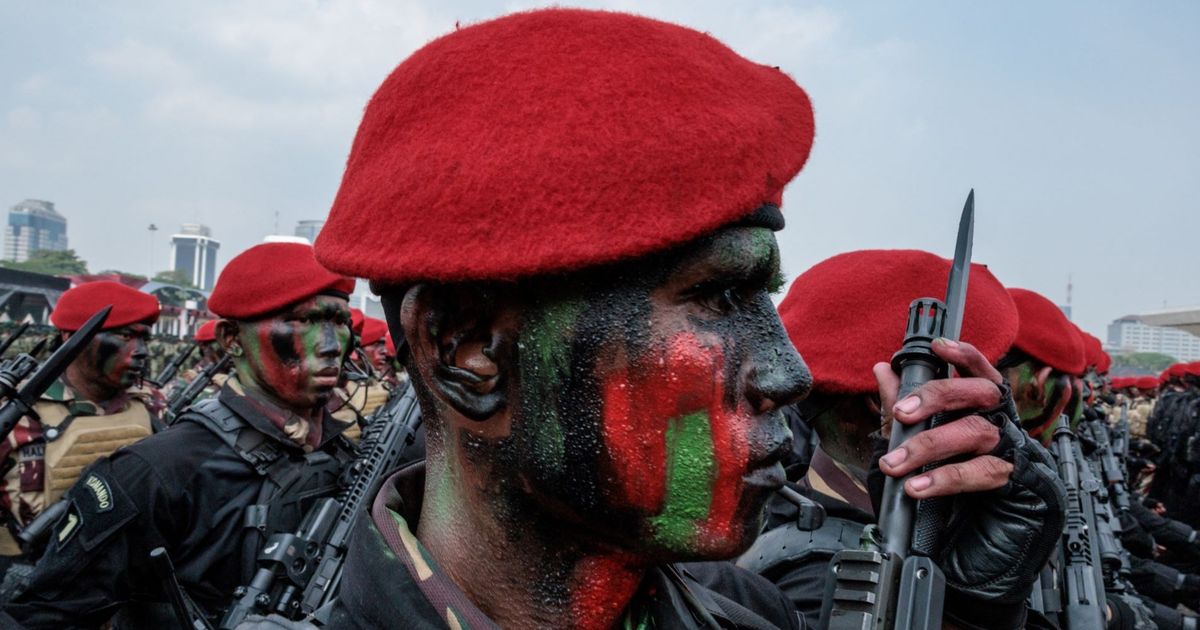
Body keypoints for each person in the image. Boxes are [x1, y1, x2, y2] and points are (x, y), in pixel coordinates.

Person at [297, 9, 1060, 629]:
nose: (789, 375)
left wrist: (957, 609)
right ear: (468, 350)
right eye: (718, 298)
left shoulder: (755, 614)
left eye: (763, 298)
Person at [1, 243, 359, 628]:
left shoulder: (341, 452)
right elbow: (43, 619)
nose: (329, 345)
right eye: (302, 321)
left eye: (339, 322)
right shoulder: (154, 473)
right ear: (232, 339)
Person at [737, 249, 1062, 629]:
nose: (998, 423)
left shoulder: (792, 514)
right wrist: (970, 618)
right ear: (901, 403)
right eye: (976, 388)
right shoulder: (823, 584)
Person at [0, 281, 161, 561]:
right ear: (72, 338)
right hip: (22, 573)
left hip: (123, 573)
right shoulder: (14, 408)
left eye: (144, 338)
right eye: (125, 336)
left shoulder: (151, 404)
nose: (141, 350)